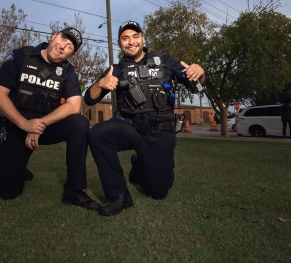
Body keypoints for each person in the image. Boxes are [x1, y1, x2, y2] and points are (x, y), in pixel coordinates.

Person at [84, 20, 205, 216]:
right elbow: (89, 98)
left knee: (158, 192)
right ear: (119, 43)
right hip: (130, 128)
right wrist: (101, 83)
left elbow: (196, 85)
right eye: (125, 38)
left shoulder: (164, 61)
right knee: (98, 134)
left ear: (142, 39)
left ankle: (140, 164)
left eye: (135, 36)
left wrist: (200, 74)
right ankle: (119, 196)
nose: (131, 42)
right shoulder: (116, 69)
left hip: (161, 131)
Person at [0, 27, 100, 211]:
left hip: (44, 128)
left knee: (80, 123)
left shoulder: (68, 71)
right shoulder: (21, 55)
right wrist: (26, 124)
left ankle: (74, 189)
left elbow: (74, 105)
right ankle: (16, 164)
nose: (64, 46)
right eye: (63, 39)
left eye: (70, 47)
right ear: (53, 36)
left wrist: (39, 126)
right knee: (9, 193)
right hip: (17, 126)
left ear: (70, 54)